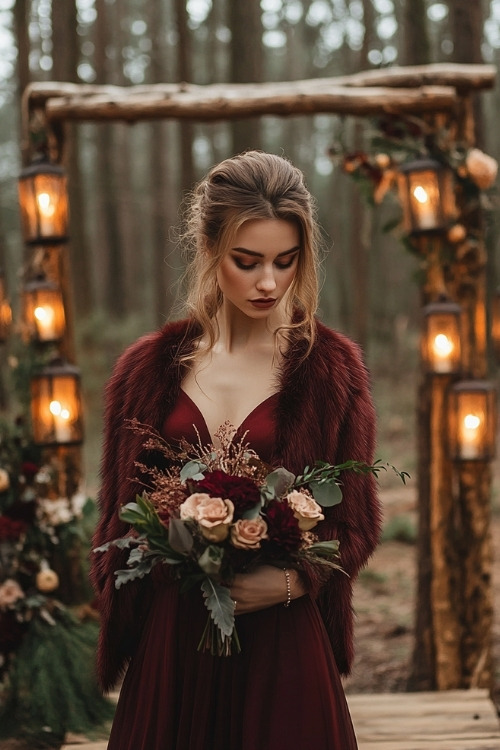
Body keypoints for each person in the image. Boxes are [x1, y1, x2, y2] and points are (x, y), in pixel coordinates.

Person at [91, 150, 381, 750]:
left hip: (283, 641)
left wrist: (293, 582)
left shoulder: (333, 372)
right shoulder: (145, 371)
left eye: (285, 261)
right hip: (172, 644)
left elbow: (355, 525)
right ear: (210, 252)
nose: (269, 282)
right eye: (246, 263)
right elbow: (114, 523)